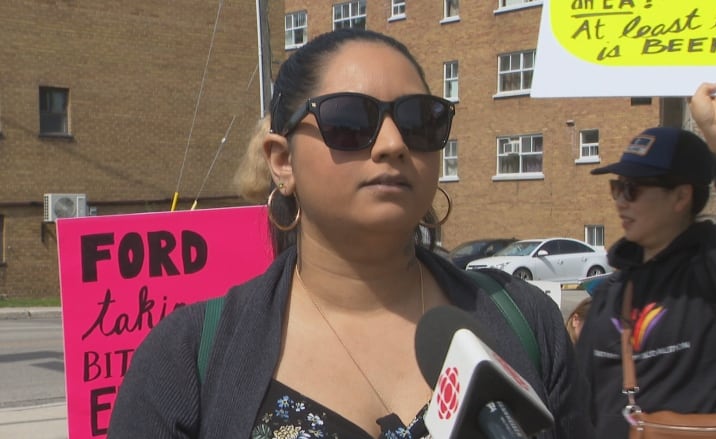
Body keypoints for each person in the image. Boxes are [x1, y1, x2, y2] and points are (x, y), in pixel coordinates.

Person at [107, 28, 593, 439]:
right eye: (348, 120)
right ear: (282, 161)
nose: (393, 144)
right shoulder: (187, 357)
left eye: (419, 120)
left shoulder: (528, 323)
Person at [576, 82, 716, 438]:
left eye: (633, 189)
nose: (620, 201)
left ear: (681, 196)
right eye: (616, 187)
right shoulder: (612, 292)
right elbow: (580, 405)